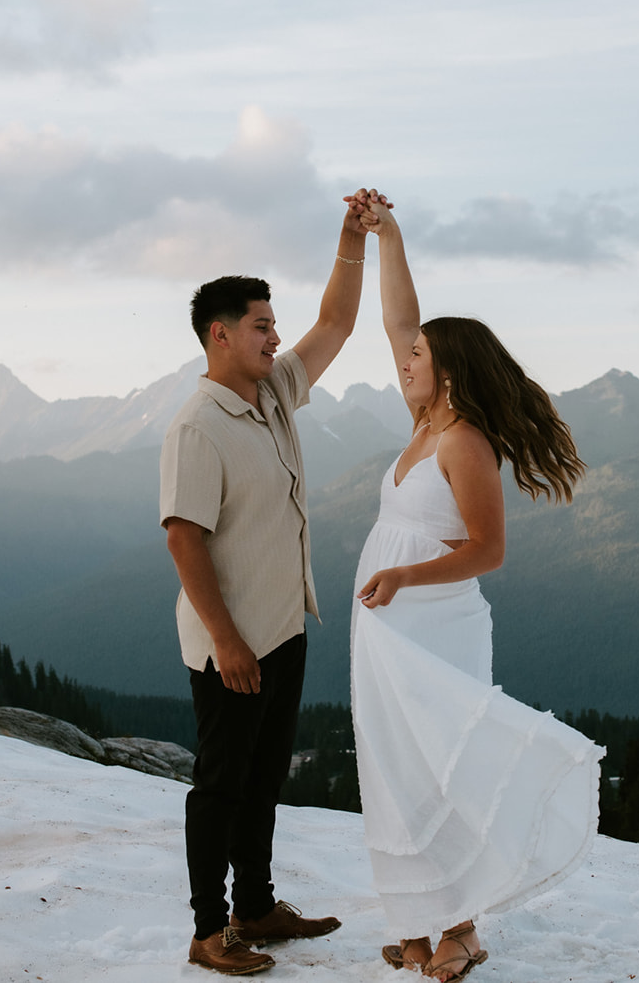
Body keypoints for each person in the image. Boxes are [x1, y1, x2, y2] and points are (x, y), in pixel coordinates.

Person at [347, 192, 605, 982]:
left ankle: (460, 926)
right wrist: (388, 235)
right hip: (387, 628)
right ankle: (415, 919)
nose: (405, 361)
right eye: (408, 356)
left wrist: (404, 574)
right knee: (394, 770)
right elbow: (399, 321)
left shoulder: (463, 442)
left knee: (444, 765)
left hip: (435, 622)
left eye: (420, 357)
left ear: (449, 371)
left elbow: (488, 550)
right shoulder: (422, 423)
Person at [160, 191, 376, 975]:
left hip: (282, 628)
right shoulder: (197, 425)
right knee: (220, 785)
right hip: (235, 645)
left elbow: (338, 326)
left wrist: (351, 239)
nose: (275, 336)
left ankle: (255, 903)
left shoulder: (272, 392)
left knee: (263, 779)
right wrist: (226, 640)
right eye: (260, 325)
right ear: (220, 335)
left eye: (272, 324)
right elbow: (183, 537)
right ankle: (209, 931)